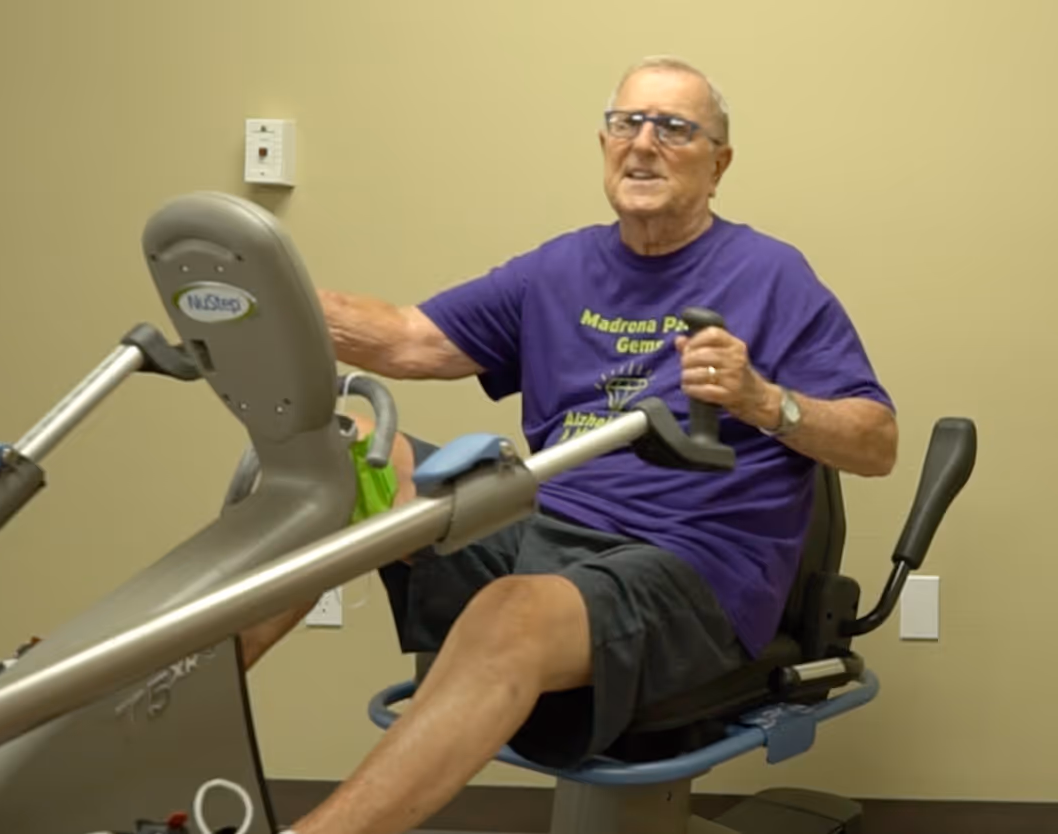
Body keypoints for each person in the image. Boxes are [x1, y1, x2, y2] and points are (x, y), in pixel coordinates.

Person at [239, 55, 898, 834]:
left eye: (675, 128)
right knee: (338, 452)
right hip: (546, 533)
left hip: (693, 563)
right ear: (605, 143)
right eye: (628, 123)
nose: (644, 143)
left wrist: (764, 401)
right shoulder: (559, 268)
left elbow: (875, 441)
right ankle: (136, 700)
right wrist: (253, 299)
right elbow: (409, 338)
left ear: (719, 162)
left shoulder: (771, 275)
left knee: (512, 611)